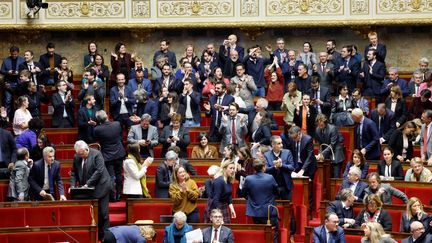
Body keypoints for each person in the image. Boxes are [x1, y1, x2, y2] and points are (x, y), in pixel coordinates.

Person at [70, 140, 111, 240]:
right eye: (79, 154)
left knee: (103, 213)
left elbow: (99, 171)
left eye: (82, 154)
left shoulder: (97, 154)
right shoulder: (77, 157)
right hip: (87, 189)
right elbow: (74, 172)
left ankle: (106, 237)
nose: (81, 156)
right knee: (89, 214)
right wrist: (72, 186)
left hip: (101, 186)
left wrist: (87, 184)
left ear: (87, 149)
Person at [243, 158, 279, 243]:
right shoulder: (270, 178)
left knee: (259, 234)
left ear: (254, 168)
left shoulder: (248, 179)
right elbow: (277, 192)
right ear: (263, 167)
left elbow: (243, 193)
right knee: (273, 234)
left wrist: (251, 198)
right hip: (269, 212)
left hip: (255, 212)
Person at [93, 110, 125, 202]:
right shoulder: (117, 124)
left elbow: (95, 138)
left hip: (107, 155)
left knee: (110, 176)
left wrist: (97, 125)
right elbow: (120, 136)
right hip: (119, 153)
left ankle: (112, 196)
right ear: (106, 116)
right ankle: (119, 194)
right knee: (119, 174)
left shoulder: (97, 129)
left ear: (99, 120)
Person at [264, 135, 295, 200]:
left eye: (281, 143)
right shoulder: (266, 155)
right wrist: (275, 167)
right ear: (273, 145)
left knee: (288, 206)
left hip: (285, 186)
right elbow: (265, 169)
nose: (282, 145)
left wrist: (281, 165)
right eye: (279, 143)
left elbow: (292, 167)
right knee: (273, 207)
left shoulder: (287, 152)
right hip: (272, 186)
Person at [205, 159, 236, 224]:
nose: (233, 170)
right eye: (230, 168)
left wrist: (232, 209)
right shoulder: (219, 181)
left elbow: (229, 195)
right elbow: (216, 199)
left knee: (225, 229)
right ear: (225, 169)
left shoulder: (228, 179)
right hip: (216, 207)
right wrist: (218, 217)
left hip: (224, 205)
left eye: (233, 168)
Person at [1, 46, 25, 120]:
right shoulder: (6, 60)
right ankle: (7, 118)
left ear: (18, 53)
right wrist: (8, 72)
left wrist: (19, 73)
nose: (14, 56)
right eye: (12, 54)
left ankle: (19, 118)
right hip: (9, 83)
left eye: (15, 54)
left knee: (20, 101)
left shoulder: (22, 60)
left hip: (19, 83)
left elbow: (25, 71)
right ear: (10, 53)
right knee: (8, 101)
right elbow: (2, 71)